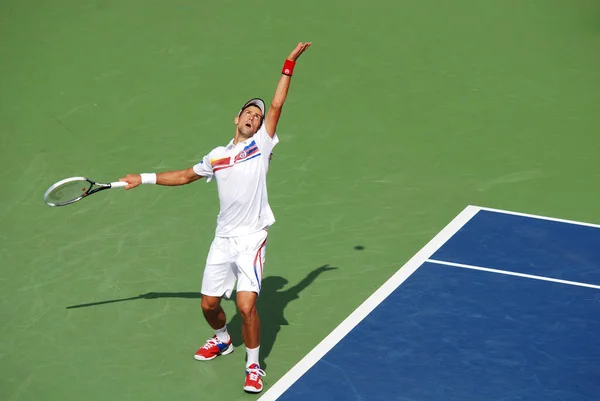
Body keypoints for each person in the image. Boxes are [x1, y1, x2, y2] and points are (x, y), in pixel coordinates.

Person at [118, 42, 312, 394]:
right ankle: (222, 339)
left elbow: (279, 103)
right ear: (236, 119)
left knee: (246, 305)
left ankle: (254, 366)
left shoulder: (263, 144)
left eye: (258, 115)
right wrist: (142, 178)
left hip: (252, 237)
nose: (254, 117)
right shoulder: (217, 156)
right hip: (222, 239)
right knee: (208, 305)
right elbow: (185, 176)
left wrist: (289, 64)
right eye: (248, 113)